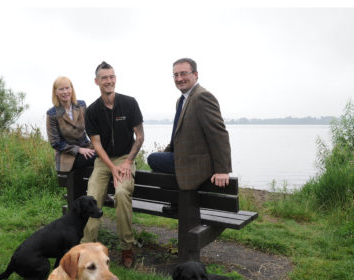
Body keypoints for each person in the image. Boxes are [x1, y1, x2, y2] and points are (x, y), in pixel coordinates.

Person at [147, 58, 232, 214]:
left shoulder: (202, 97)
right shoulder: (182, 100)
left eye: (184, 74)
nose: (179, 79)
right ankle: (178, 202)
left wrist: (222, 170)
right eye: (176, 75)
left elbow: (219, 134)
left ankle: (177, 202)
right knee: (160, 160)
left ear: (195, 74)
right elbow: (178, 136)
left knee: (153, 159)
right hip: (184, 158)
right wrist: (167, 151)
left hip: (196, 163)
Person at [81, 61, 145, 268]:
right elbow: (96, 145)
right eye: (104, 78)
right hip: (104, 160)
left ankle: (127, 247)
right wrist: (111, 167)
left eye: (111, 77)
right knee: (92, 198)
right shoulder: (92, 110)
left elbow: (140, 136)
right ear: (96, 81)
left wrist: (127, 162)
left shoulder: (129, 103)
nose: (109, 81)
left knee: (121, 193)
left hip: (125, 158)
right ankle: (87, 249)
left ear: (115, 78)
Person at [46, 76, 96, 172]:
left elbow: (91, 128)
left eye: (67, 88)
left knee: (107, 152)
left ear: (71, 89)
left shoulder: (81, 105)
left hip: (87, 147)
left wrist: (97, 144)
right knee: (96, 157)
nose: (65, 92)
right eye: (61, 89)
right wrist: (79, 150)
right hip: (68, 156)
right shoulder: (52, 114)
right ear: (56, 92)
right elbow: (55, 143)